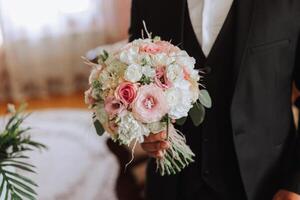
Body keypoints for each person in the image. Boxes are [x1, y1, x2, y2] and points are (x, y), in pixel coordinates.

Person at [128, 0, 300, 199]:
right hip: (172, 183)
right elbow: (137, 75)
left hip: (266, 184)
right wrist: (147, 129)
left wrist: (295, 183)